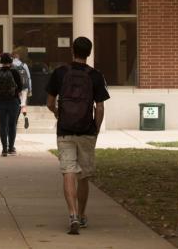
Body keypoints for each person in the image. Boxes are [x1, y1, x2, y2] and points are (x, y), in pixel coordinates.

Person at [46, 36, 110, 235]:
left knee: (68, 172)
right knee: (83, 175)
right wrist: (96, 129)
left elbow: (49, 102)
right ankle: (82, 215)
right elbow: (100, 107)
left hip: (65, 131)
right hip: (86, 131)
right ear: (89, 53)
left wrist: (58, 114)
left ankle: (72, 214)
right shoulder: (96, 76)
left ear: (72, 51)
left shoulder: (60, 73)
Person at [0, 53, 24, 156]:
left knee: (2, 125)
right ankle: (11, 148)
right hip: (13, 101)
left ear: (0, 61)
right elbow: (20, 87)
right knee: (12, 125)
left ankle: (4, 149)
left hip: (0, 102)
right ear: (11, 61)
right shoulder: (15, 72)